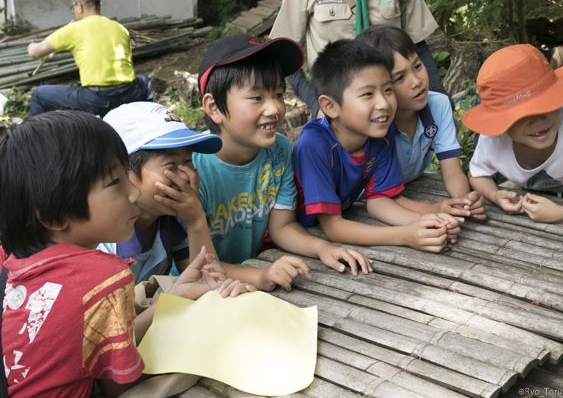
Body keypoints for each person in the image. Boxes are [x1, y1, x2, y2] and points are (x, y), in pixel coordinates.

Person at [0, 111, 250, 397]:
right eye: (115, 183)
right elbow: (118, 385)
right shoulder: (103, 276)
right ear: (54, 216)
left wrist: (174, 298)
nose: (132, 194)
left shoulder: (15, 263)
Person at [195, 33, 373, 291]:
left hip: (245, 281)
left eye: (278, 94)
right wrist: (260, 276)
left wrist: (322, 248)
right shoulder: (193, 166)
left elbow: (282, 226)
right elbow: (198, 264)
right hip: (200, 289)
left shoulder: (278, 150)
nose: (274, 108)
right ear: (213, 107)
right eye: (257, 98)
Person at [293, 39, 461, 252]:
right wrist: (405, 235)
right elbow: (333, 227)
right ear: (330, 106)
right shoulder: (314, 143)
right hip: (291, 237)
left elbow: (379, 201)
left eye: (388, 90)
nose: (383, 104)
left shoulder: (379, 134)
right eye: (368, 94)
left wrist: (431, 222)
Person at [270, 0, 445, 116]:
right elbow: (283, 55)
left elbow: (419, 47)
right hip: (336, 117)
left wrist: (439, 103)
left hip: (391, 111)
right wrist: (316, 105)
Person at [356, 25, 486, 220]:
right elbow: (376, 194)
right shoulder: (375, 125)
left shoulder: (438, 105)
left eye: (417, 66)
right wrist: (436, 209)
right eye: (400, 77)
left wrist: (463, 201)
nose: (417, 81)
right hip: (360, 203)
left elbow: (451, 170)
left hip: (406, 191)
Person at [100, 101, 237, 284]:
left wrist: (196, 221)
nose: (185, 176)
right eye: (171, 165)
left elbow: (206, 280)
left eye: (188, 162)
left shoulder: (173, 219)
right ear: (124, 173)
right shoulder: (104, 243)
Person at [464, 44, 563, 223]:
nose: (537, 120)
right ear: (501, 123)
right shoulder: (492, 139)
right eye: (521, 115)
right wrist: (494, 195)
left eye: (547, 104)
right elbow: (477, 174)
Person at [26, 0, 152, 116]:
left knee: (38, 95)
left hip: (95, 98)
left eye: (74, 7)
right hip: (129, 93)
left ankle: (37, 135)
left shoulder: (73, 29)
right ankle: (149, 122)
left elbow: (35, 52)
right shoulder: (120, 28)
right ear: (99, 5)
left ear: (79, 6)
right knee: (144, 81)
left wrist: (30, 45)